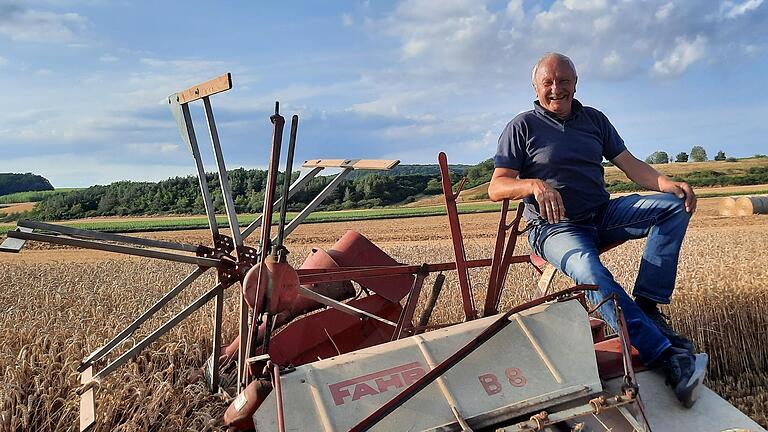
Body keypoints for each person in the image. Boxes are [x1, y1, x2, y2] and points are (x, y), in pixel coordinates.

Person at [488, 52, 708, 408]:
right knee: (590, 272)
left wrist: (667, 182)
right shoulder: (522, 127)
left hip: (601, 214)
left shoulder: (594, 120)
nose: (556, 89)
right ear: (536, 86)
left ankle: (648, 306)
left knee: (672, 207)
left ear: (576, 84)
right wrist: (533, 186)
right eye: (549, 82)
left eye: (564, 81)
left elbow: (631, 165)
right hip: (554, 228)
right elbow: (496, 187)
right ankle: (665, 356)